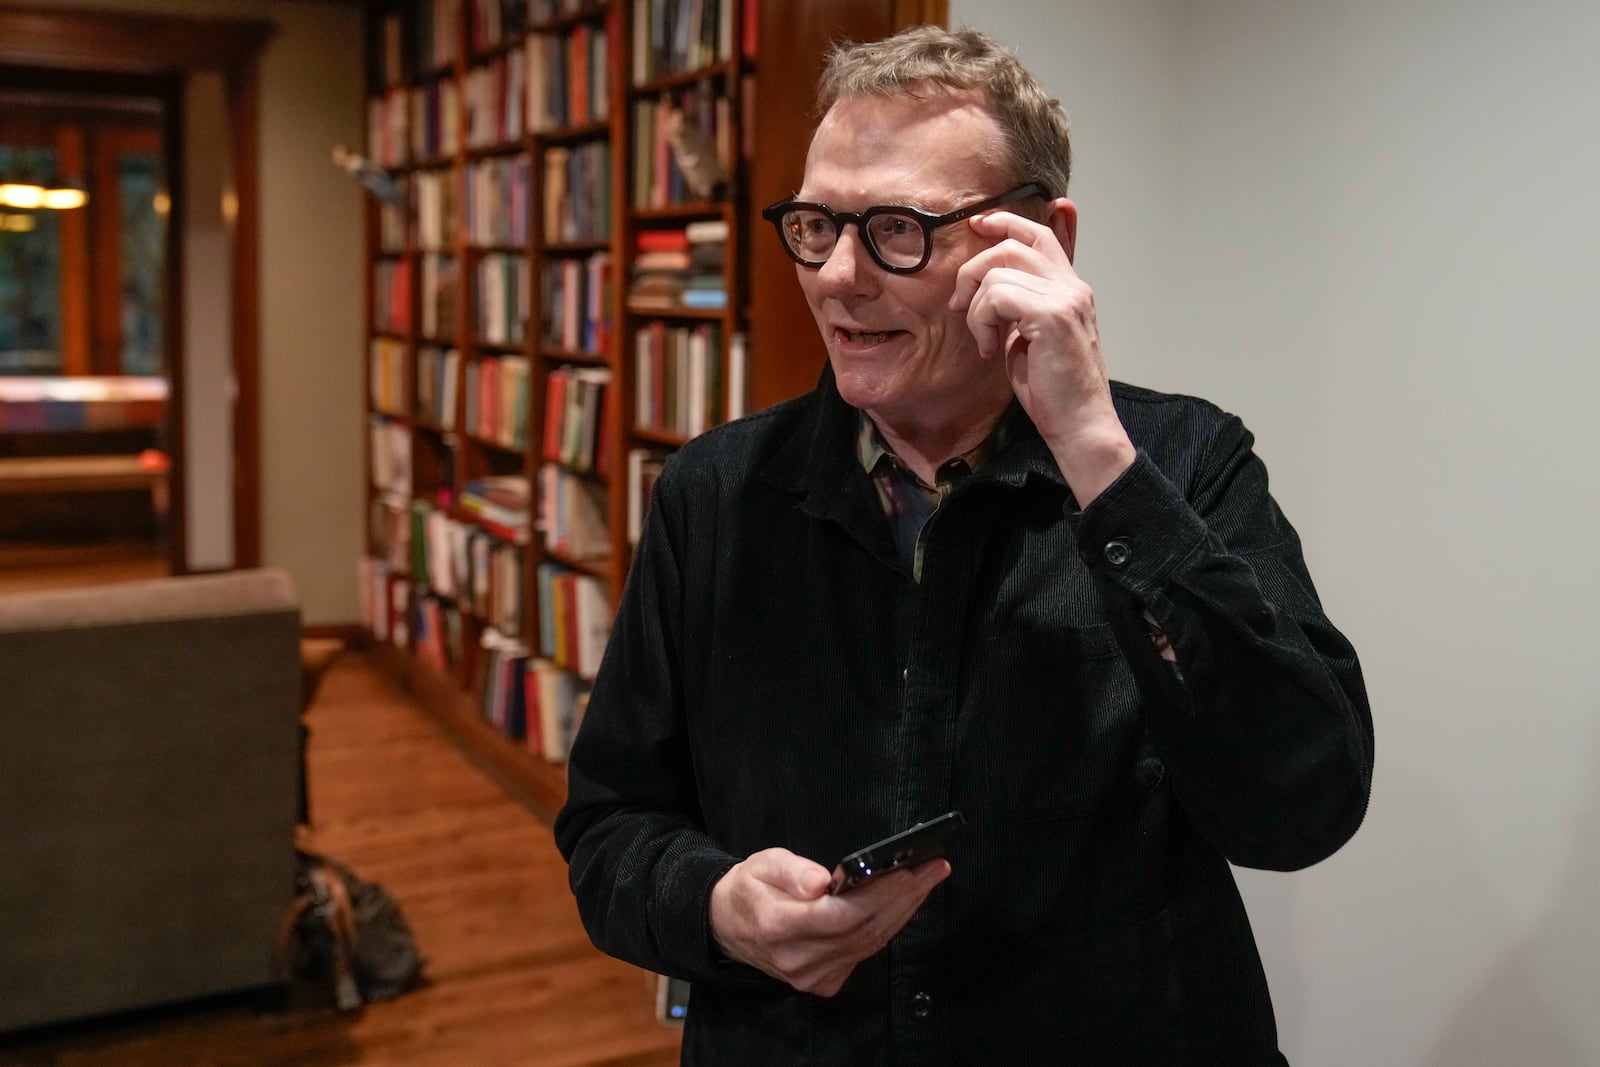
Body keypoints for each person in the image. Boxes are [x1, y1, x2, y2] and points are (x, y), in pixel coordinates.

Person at [555, 24, 1373, 1066]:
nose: (838, 277)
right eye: (815, 224)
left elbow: (1300, 803)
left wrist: (1094, 457)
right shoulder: (715, 494)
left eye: (897, 228)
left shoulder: (1181, 461)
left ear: (1041, 240)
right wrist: (713, 903)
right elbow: (610, 826)